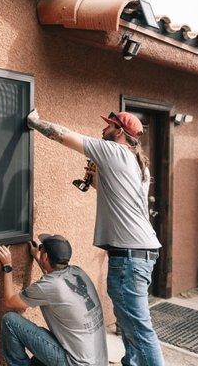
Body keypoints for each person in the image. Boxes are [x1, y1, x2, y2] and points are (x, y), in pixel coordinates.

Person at [27, 109, 163, 365]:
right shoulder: (136, 163)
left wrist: (35, 121)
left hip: (130, 257)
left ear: (120, 132)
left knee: (140, 331)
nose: (104, 129)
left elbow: (62, 135)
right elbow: (121, 197)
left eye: (109, 126)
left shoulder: (114, 151)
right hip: (139, 254)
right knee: (131, 325)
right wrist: (94, 181)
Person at [0, 235, 107, 366]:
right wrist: (38, 257)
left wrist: (7, 265)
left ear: (46, 257)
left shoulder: (51, 286)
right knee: (38, 359)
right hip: (97, 361)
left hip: (74, 363)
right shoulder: (78, 272)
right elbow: (53, 281)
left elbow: (9, 301)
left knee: (10, 321)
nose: (39, 249)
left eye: (41, 248)